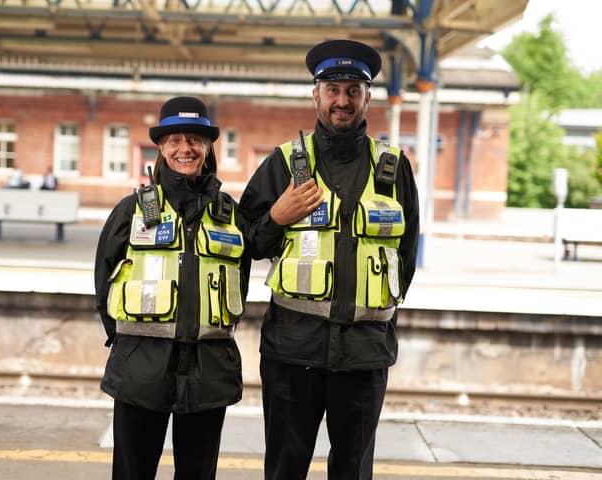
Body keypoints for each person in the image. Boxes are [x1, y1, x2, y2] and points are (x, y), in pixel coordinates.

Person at [238, 39, 420, 479]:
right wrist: (276, 218)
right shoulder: (282, 164)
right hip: (291, 351)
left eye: (352, 91)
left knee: (353, 471)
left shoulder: (393, 168)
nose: (343, 100)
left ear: (367, 98)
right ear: (315, 94)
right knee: (285, 468)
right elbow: (244, 244)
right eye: (333, 89)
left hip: (363, 355)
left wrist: (378, 319)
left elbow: (405, 256)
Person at [94, 96, 251, 480]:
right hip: (140, 369)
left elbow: (239, 282)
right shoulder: (131, 210)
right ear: (161, 147)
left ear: (208, 147)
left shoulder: (229, 214)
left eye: (195, 139)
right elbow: (104, 280)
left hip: (208, 372)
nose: (186, 148)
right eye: (175, 139)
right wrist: (130, 342)